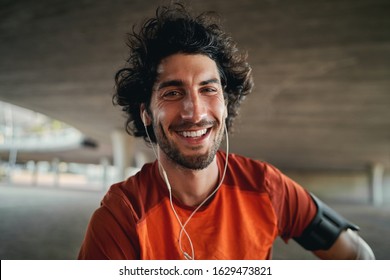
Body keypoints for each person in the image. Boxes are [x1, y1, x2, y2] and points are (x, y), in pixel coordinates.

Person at [78, 3, 375, 260]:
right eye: (172, 93)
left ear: (226, 101)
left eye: (208, 89)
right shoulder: (122, 215)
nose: (195, 112)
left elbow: (359, 257)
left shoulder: (266, 187)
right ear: (146, 112)